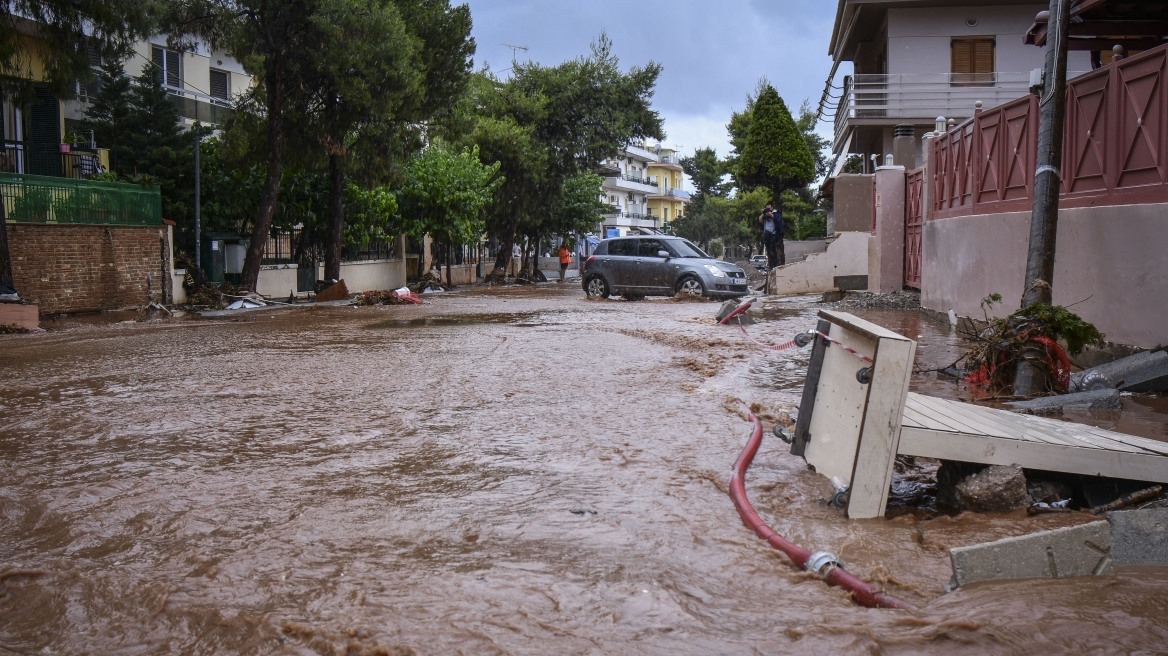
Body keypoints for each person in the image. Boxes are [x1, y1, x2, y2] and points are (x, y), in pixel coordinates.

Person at [759, 202, 783, 269]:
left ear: (772, 207)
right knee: (769, 251)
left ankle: (775, 266)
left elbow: (778, 222)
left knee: (773, 251)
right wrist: (763, 213)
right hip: (766, 234)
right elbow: (760, 221)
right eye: (767, 208)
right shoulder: (765, 215)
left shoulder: (776, 213)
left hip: (773, 234)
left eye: (769, 208)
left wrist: (771, 215)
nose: (768, 210)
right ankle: (770, 266)